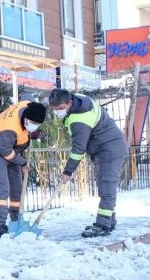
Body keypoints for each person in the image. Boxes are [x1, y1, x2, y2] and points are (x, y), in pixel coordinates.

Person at [48, 88, 127, 238]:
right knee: (104, 186)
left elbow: (78, 150)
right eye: (54, 109)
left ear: (69, 102)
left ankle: (103, 225)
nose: (57, 112)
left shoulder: (79, 119)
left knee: (106, 185)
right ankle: (108, 220)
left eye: (60, 108)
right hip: (106, 147)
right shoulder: (80, 100)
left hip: (109, 149)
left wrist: (68, 172)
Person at [0, 93, 47, 239]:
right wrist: (23, 162)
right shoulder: (10, 127)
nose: (34, 126)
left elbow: (28, 97)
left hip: (14, 150)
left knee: (17, 188)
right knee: (2, 188)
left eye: (36, 125)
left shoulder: (29, 106)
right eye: (32, 123)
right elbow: (5, 151)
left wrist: (32, 132)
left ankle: (15, 219)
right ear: (25, 117)